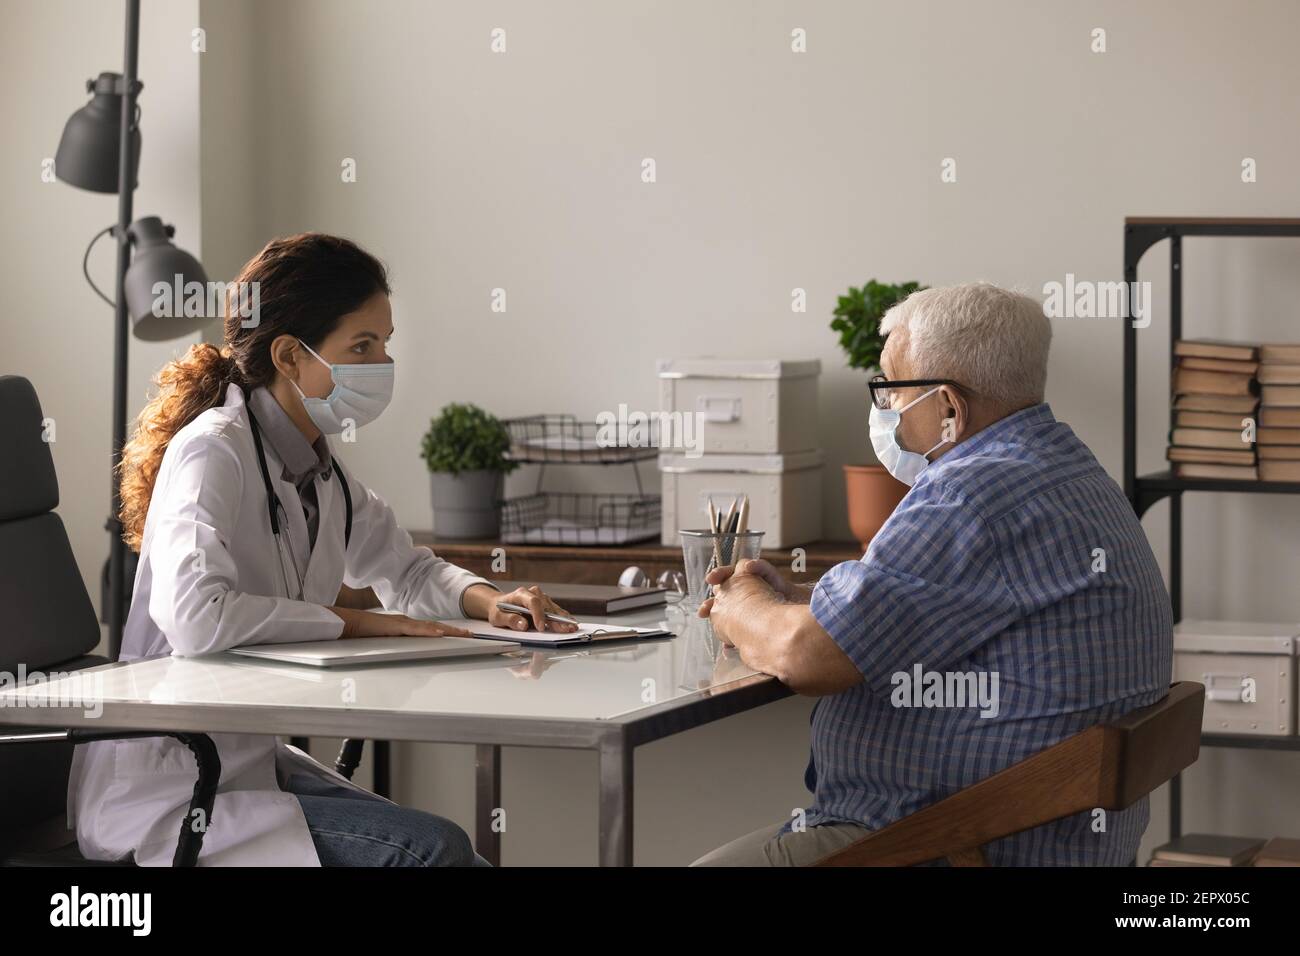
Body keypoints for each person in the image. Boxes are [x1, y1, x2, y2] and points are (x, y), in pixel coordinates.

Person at [69, 233, 574, 866]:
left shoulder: (319, 471)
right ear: (288, 355)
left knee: (460, 856)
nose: (382, 362)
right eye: (362, 346)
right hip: (169, 783)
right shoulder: (213, 449)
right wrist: (356, 621)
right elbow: (196, 618)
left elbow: (407, 569)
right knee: (435, 851)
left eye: (385, 342)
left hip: (242, 764)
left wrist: (489, 600)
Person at [692, 282, 1173, 866]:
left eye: (890, 390)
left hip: (954, 845)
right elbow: (958, 602)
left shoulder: (971, 492)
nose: (884, 411)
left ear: (948, 407)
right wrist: (809, 599)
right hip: (1028, 837)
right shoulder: (1061, 468)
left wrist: (739, 600)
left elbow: (805, 657)